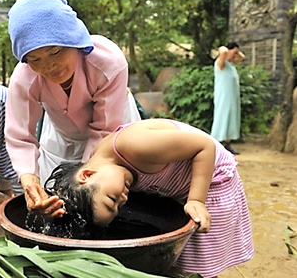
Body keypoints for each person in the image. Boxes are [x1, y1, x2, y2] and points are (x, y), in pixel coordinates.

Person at [44, 118, 254, 278]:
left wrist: (196, 200)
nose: (122, 201)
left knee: (201, 259)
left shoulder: (136, 145)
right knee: (179, 257)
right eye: (117, 209)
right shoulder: (103, 169)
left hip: (211, 181)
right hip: (181, 188)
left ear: (87, 175)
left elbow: (204, 147)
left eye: (112, 200)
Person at [5, 0, 141, 215]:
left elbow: (103, 130)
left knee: (109, 201)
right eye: (35, 59)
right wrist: (29, 180)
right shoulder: (24, 78)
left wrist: (82, 180)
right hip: (62, 135)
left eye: (56, 52)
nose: (48, 66)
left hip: (113, 133)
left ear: (74, 40)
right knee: (56, 201)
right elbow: (20, 136)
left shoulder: (108, 62)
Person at [211, 42, 245, 155]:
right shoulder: (221, 63)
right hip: (223, 96)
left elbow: (242, 57)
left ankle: (227, 143)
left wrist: (235, 52)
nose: (235, 55)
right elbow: (224, 52)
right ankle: (217, 143)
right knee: (222, 116)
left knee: (231, 118)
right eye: (234, 52)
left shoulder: (231, 64)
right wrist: (224, 48)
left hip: (232, 96)